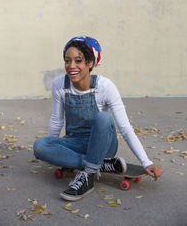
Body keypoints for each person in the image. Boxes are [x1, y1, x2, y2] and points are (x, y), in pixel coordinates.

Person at [33, 36, 163, 201]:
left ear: (90, 63)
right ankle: (98, 164)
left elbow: (125, 128)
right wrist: (52, 150)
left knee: (102, 118)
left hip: (104, 145)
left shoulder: (105, 87)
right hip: (75, 143)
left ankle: (87, 175)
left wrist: (146, 162)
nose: (71, 66)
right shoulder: (59, 84)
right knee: (40, 145)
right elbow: (57, 120)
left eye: (78, 61)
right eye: (67, 60)